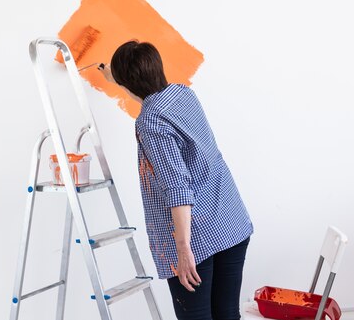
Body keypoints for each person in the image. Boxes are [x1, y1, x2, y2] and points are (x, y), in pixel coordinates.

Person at [98, 40, 253, 320]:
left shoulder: (151, 122)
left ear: (125, 81)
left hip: (198, 239)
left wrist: (183, 251)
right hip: (231, 222)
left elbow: (177, 189)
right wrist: (116, 76)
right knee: (227, 315)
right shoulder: (183, 94)